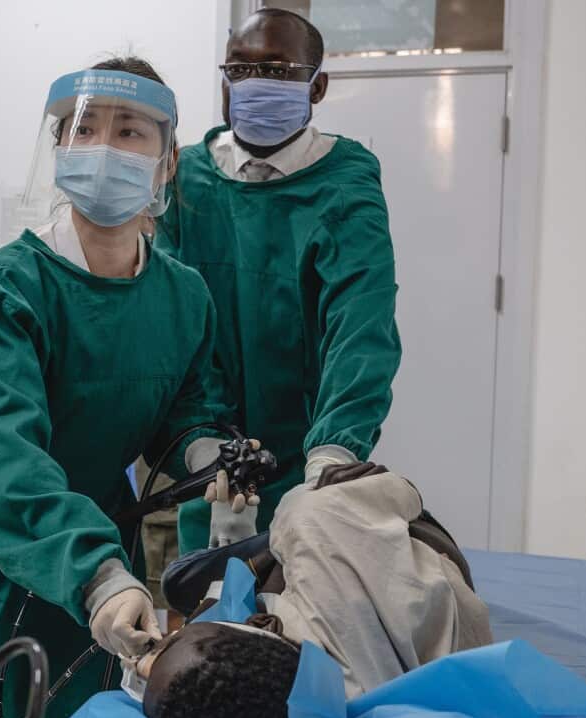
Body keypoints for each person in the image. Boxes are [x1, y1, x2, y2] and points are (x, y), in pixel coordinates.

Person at [0, 57, 255, 718]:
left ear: (167, 164)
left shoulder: (184, 298)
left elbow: (187, 411)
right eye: (84, 131)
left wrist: (207, 456)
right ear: (59, 150)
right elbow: (6, 459)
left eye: (130, 132)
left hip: (96, 534)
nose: (103, 149)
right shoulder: (9, 290)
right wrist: (97, 576)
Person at [157, 7, 403, 553]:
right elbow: (176, 328)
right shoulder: (187, 179)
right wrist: (205, 446)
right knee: (208, 614)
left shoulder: (345, 182)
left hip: (307, 449)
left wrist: (334, 451)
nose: (256, 83)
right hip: (213, 457)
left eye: (279, 70)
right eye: (241, 69)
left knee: (305, 602)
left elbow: (360, 324)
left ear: (317, 87)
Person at [127, 464, 492, 718]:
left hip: (417, 618)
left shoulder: (281, 698)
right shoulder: (313, 521)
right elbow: (405, 497)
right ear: (261, 625)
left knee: (186, 585)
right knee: (182, 580)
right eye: (169, 641)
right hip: (419, 542)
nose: (165, 637)